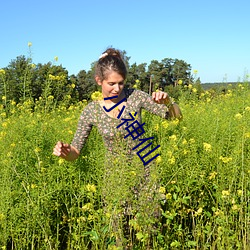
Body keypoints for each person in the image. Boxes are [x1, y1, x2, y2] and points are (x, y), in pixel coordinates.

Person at [53, 47, 182, 246]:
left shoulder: (135, 97)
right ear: (99, 81)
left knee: (149, 235)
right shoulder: (91, 111)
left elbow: (175, 118)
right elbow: (76, 151)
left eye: (121, 83)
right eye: (111, 83)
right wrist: (65, 152)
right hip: (115, 180)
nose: (117, 88)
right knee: (118, 237)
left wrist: (169, 102)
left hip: (146, 174)